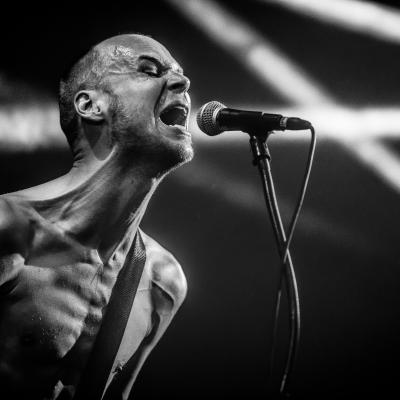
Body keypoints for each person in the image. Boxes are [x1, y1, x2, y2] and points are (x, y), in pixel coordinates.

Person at [0, 33, 192, 399]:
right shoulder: (9, 228)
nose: (182, 82)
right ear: (90, 105)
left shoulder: (163, 280)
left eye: (180, 74)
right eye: (149, 70)